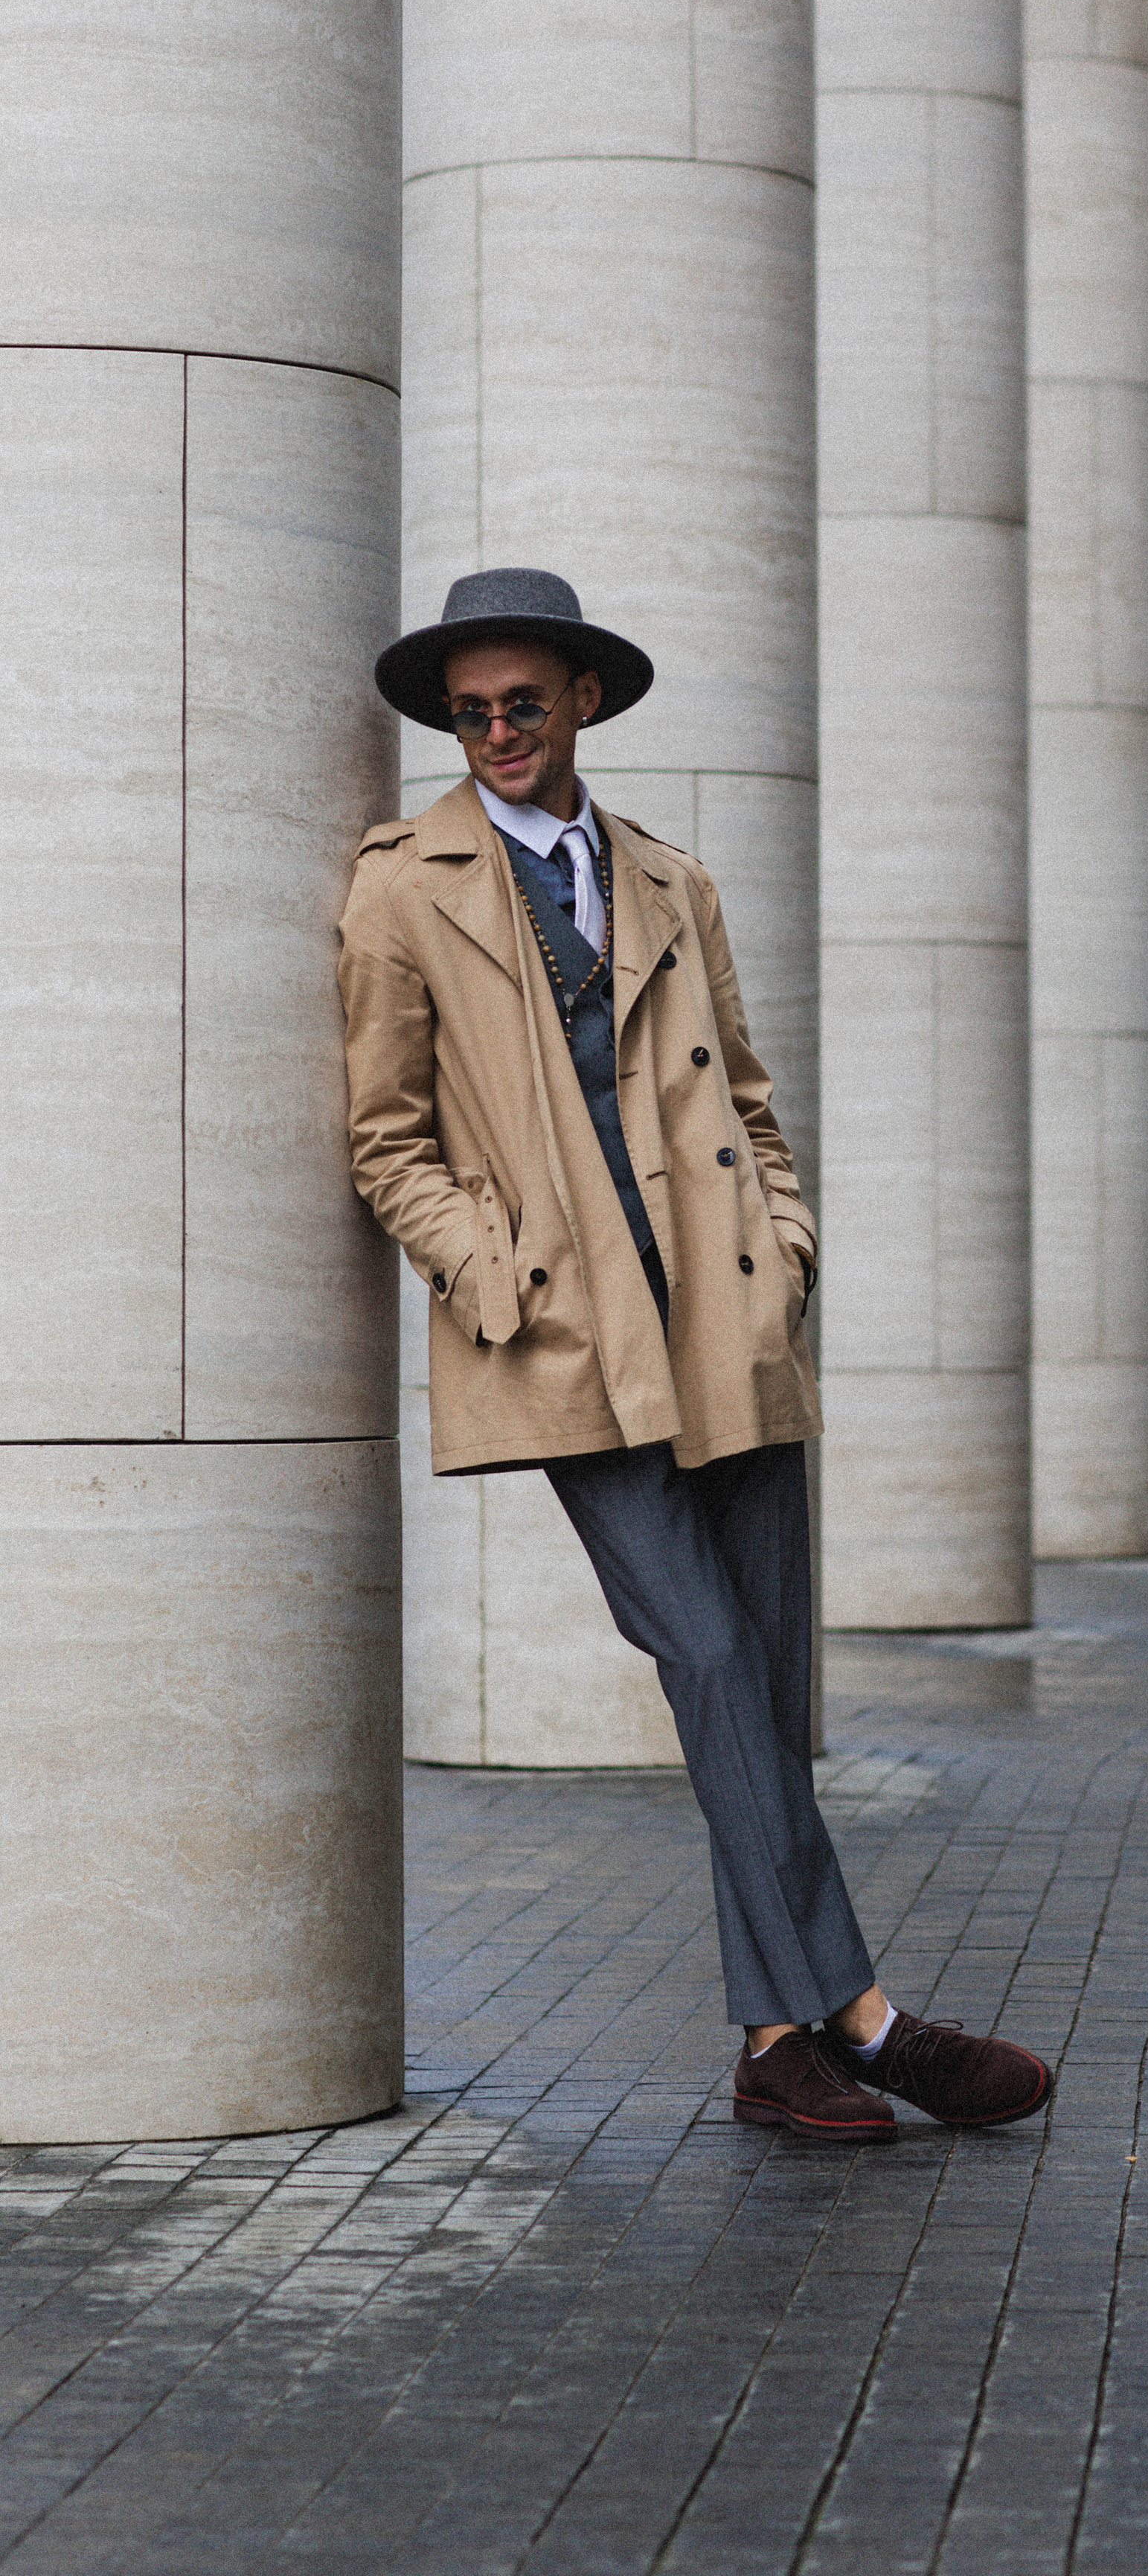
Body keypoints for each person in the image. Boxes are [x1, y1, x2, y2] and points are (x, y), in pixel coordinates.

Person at [339, 569, 1051, 2143]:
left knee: (766, 1679)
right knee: (711, 1662)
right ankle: (868, 2020)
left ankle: (773, 2046)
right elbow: (385, 1141)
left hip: (726, 1320)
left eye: (525, 703)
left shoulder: (670, 880)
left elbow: (749, 1099)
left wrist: (787, 1254)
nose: (499, 732)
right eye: (471, 713)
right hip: (568, 1339)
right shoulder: (404, 888)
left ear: (583, 700)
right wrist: (488, 1269)